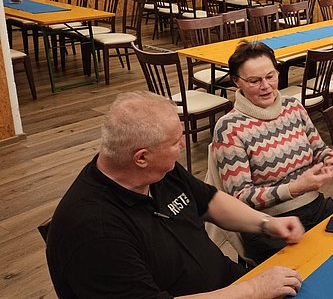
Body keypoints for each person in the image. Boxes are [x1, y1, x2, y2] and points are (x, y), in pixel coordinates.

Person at [46, 91, 305, 298]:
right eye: (175, 142)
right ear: (141, 158)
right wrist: (254, 290)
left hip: (228, 283)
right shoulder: (95, 231)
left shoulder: (158, 172)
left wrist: (267, 224)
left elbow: (209, 201)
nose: (182, 145)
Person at [211, 41, 333, 263]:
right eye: (254, 81)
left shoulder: (293, 106)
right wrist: (294, 188)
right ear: (237, 82)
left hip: (314, 205)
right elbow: (241, 197)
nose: (266, 86)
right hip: (269, 224)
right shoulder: (229, 128)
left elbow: (319, 150)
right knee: (318, 267)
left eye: (271, 76)